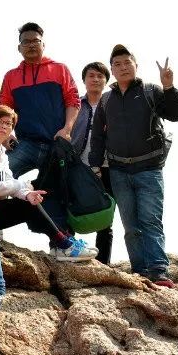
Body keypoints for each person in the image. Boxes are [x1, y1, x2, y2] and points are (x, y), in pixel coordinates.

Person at [0, 22, 96, 261]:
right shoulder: (12, 76)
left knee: (58, 192)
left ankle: (61, 245)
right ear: (19, 47)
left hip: (55, 144)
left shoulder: (59, 69)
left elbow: (73, 100)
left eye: (35, 41)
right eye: (26, 42)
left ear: (43, 43)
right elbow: (4, 107)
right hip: (26, 143)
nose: (31, 45)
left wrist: (67, 129)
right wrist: (7, 134)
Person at [89, 45, 178, 287]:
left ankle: (158, 270)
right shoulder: (106, 99)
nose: (123, 67)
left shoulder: (150, 91)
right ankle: (140, 271)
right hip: (119, 171)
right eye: (117, 64)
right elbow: (98, 136)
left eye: (127, 63)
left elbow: (177, 114)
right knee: (131, 226)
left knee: (150, 221)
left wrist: (169, 87)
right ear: (112, 70)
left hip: (149, 169)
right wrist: (95, 165)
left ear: (136, 66)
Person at [0, 105, 97, 262]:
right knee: (28, 206)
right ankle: (64, 245)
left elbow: (9, 182)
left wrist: (27, 193)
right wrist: (22, 186)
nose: (4, 126)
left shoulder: (0, 150)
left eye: (8, 123)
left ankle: (64, 242)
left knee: (32, 200)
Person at [70, 62, 115, 265]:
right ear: (84, 80)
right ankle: (69, 253)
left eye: (100, 76)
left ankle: (103, 263)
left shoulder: (113, 104)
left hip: (107, 166)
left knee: (106, 214)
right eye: (91, 75)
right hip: (79, 165)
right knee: (71, 208)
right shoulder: (75, 105)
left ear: (106, 80)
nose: (95, 79)